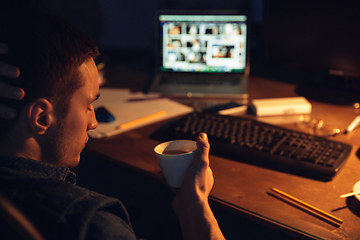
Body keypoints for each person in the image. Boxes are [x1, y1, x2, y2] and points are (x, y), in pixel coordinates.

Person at [0, 11, 225, 240]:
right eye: (88, 105)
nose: (94, 123)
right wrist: (196, 205)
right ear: (40, 117)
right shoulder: (91, 223)